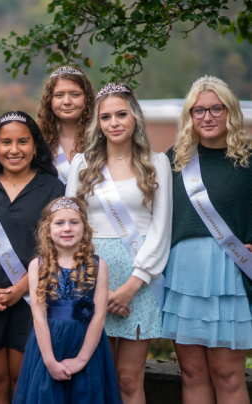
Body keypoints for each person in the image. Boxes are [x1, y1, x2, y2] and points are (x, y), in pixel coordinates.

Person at [65, 83, 171, 403]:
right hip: (90, 277)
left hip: (138, 282)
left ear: (134, 117)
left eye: (121, 114)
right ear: (98, 123)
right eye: (106, 117)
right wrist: (89, 282)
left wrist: (132, 285)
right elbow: (70, 224)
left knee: (127, 378)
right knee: (98, 376)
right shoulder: (82, 165)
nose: (114, 123)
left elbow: (161, 227)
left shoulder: (158, 163)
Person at [0, 111, 64, 404]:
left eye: (22, 142)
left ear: (35, 146)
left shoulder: (53, 188)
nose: (14, 150)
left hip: (33, 295)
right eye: (6, 142)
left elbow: (56, 249)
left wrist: (21, 289)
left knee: (24, 382)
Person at [161, 75, 252, 404]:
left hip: (229, 278)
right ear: (189, 116)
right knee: (193, 375)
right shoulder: (176, 160)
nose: (208, 117)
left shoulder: (249, 161)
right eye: (199, 111)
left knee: (228, 376)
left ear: (230, 112)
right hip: (183, 277)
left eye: (216, 108)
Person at [12, 196, 122, 403]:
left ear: (85, 228)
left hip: (86, 346)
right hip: (48, 346)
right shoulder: (37, 266)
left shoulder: (99, 266)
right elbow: (39, 317)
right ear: (47, 230)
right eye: (59, 223)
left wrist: (82, 359)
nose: (67, 228)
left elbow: (98, 318)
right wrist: (50, 361)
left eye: (74, 222)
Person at [36, 66, 95, 184]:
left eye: (75, 94)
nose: (67, 101)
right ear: (49, 100)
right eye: (59, 95)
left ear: (87, 98)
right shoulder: (39, 140)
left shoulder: (100, 138)